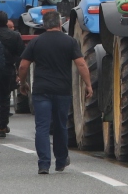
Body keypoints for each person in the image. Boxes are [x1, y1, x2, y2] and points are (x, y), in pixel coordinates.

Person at [19, 10, 93, 174]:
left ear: (44, 25)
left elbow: (23, 66)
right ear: (59, 24)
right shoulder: (70, 42)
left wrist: (23, 83)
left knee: (42, 128)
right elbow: (81, 64)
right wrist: (88, 84)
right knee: (61, 126)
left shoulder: (36, 43)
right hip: (62, 91)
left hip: (41, 90)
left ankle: (44, 164)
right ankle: (60, 161)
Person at [0, 11, 23, 139]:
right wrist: (18, 72)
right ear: (6, 21)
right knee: (5, 97)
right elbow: (21, 54)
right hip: (9, 69)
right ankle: (3, 125)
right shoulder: (15, 35)